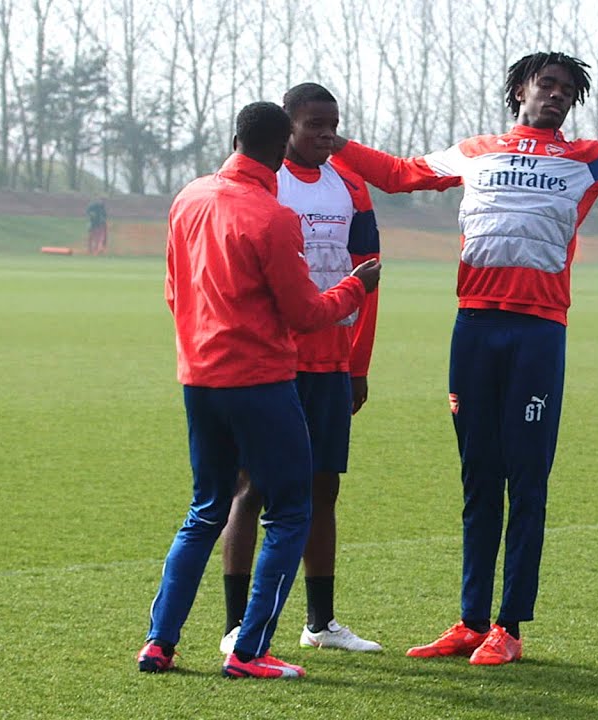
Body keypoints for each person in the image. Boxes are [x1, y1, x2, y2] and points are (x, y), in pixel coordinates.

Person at [330, 51, 598, 665]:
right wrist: (331, 141)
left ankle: (510, 626)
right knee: (477, 475)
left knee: (526, 479)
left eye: (567, 90)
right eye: (546, 84)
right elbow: (398, 174)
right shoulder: (475, 150)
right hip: (473, 327)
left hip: (538, 335)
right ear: (520, 88)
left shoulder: (590, 159)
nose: (555, 95)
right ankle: (470, 621)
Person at [137, 101, 381, 680]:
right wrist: (355, 288)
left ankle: (159, 643)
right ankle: (249, 650)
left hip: (199, 377)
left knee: (204, 510)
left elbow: (174, 292)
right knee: (292, 511)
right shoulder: (273, 217)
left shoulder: (189, 197)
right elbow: (303, 313)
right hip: (261, 381)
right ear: (280, 150)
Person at [219, 83, 411, 656]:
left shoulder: (352, 188)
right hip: (271, 360)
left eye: (333, 124)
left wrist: (358, 364)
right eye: (314, 125)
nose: (327, 135)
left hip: (330, 359)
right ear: (287, 128)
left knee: (323, 487)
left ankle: (320, 623)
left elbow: (367, 277)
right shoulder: (263, 183)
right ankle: (236, 625)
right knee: (252, 488)